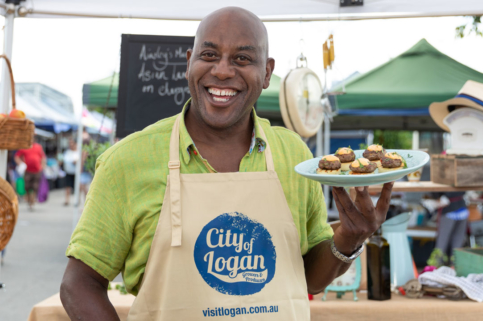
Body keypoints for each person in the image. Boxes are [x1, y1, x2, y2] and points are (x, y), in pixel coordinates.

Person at [59, 7, 394, 320]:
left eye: (242, 58)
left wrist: (350, 237)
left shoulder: (293, 155)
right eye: (208, 55)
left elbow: (308, 279)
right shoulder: (128, 161)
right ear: (189, 63)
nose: (221, 71)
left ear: (266, 73)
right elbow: (79, 283)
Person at [15, 142, 46, 211]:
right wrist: (21, 164)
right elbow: (17, 156)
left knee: (35, 186)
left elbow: (43, 157)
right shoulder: (24, 146)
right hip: (27, 171)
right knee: (27, 186)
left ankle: (32, 201)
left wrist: (43, 166)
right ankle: (29, 199)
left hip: (37, 170)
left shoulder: (38, 146)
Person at [62, 139, 78, 206]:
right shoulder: (67, 152)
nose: (71, 145)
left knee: (77, 188)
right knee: (67, 187)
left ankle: (77, 200)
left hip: (76, 173)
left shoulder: (78, 152)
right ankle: (67, 200)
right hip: (68, 172)